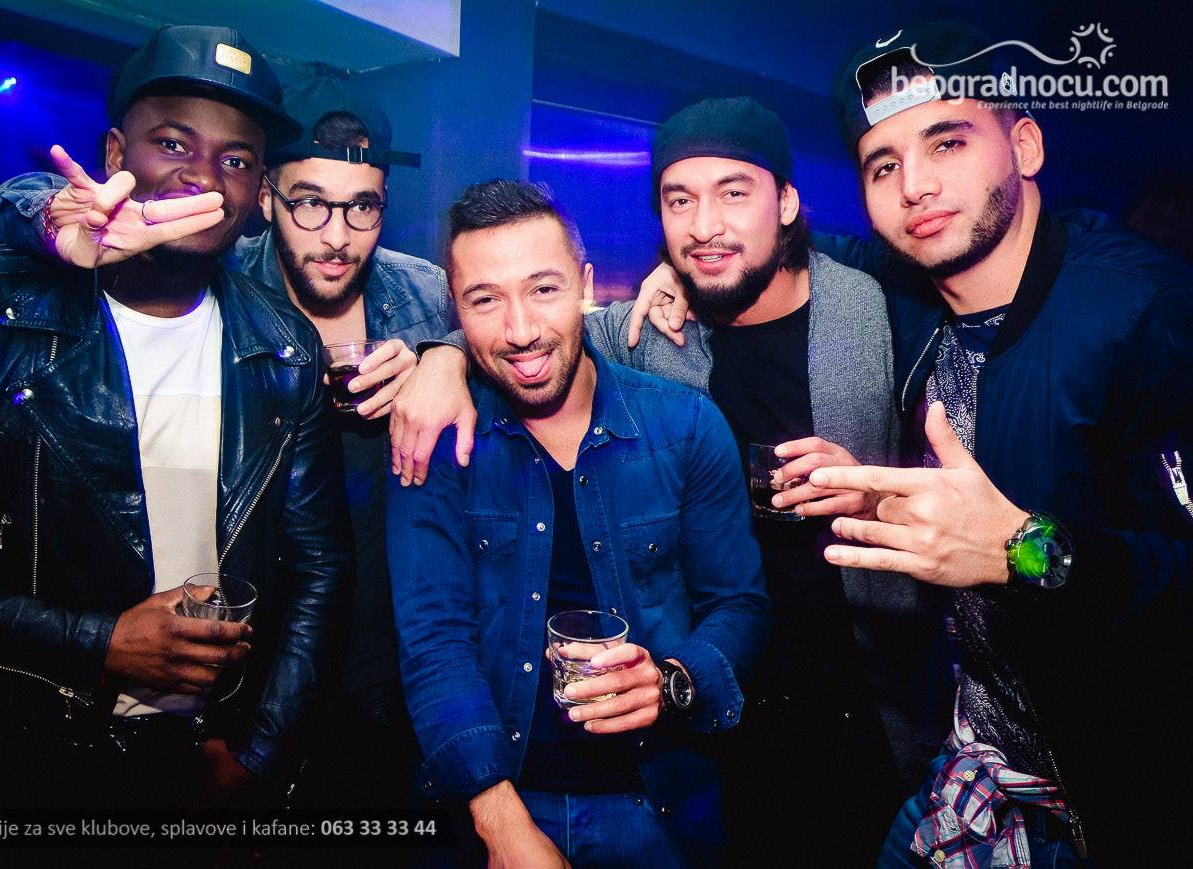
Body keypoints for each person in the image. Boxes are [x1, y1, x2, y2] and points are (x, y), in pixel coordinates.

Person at [634, 20, 1193, 866]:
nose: (916, 186)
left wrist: (1022, 549)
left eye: (948, 142)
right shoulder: (909, 297)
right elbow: (780, 255)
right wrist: (685, 265)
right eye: (884, 165)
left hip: (1112, 788)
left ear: (1025, 145)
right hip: (973, 768)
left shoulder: (1148, 312)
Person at [389, 97, 949, 861]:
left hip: (863, 704)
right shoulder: (647, 332)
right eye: (679, 200)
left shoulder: (882, 314)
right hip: (728, 741)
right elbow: (524, 328)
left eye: (733, 192)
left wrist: (880, 495)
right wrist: (440, 356)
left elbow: (974, 484)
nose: (705, 225)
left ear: (787, 202)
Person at [0, 24, 353, 808]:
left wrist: (263, 750)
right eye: (173, 143)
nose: (202, 176)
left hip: (207, 749)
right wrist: (98, 643)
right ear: (115, 154)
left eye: (236, 159)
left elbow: (319, 568)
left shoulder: (286, 348)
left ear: (258, 194)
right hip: (15, 750)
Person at [0, 81, 447, 809]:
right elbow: (32, 206)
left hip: (390, 642)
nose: (336, 234)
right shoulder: (221, 266)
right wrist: (45, 214)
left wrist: (444, 359)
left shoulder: (423, 292)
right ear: (265, 198)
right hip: (258, 653)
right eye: (309, 202)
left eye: (362, 206)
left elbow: (513, 333)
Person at [386, 179, 770, 867]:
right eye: (485, 300)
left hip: (660, 803)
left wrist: (672, 681)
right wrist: (501, 823)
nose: (521, 331)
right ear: (457, 313)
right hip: (492, 798)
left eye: (543, 289)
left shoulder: (685, 425)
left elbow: (738, 604)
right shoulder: (435, 441)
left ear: (586, 287)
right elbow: (432, 640)